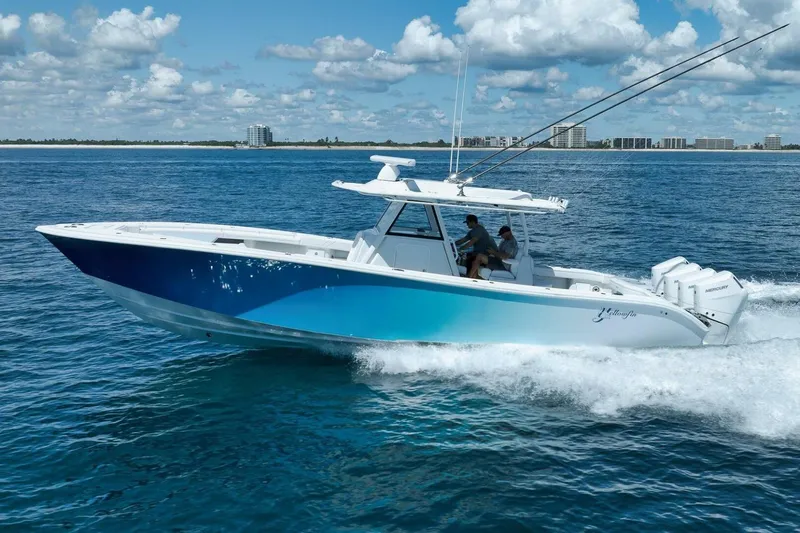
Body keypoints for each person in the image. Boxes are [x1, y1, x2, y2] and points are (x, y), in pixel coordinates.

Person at [454, 214, 497, 278]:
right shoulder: (472, 231)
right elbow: (463, 240)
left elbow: (471, 243)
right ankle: (469, 275)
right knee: (467, 255)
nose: (467, 224)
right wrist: (451, 244)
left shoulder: (479, 230)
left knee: (469, 258)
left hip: (486, 254)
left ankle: (470, 277)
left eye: (468, 222)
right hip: (478, 252)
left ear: (473, 222)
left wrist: (459, 249)